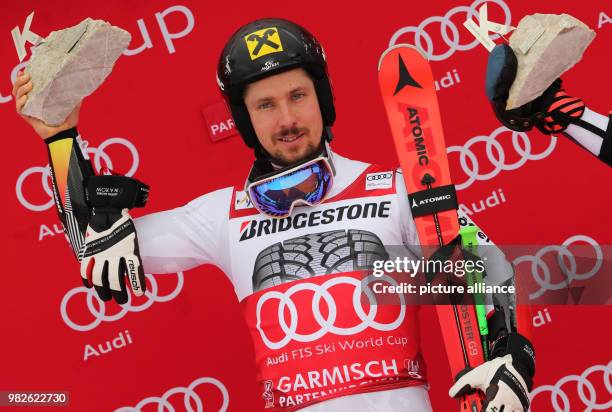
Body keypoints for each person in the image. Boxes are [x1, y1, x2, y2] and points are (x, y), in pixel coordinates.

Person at [14, 18, 537, 412]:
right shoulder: (223, 217)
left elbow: (483, 270)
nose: (287, 119)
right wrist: (60, 138)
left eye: (297, 96)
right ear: (243, 119)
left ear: (322, 100)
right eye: (264, 105)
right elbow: (98, 248)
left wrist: (513, 354)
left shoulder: (395, 193)